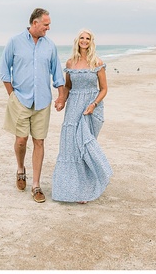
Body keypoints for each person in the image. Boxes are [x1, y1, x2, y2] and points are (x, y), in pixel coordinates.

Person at [0, 8, 66, 203]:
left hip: (43, 102)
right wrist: (12, 96)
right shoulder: (15, 42)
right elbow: (4, 69)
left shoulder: (50, 46)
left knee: (39, 142)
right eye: (46, 24)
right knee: (21, 141)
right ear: (35, 23)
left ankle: (36, 185)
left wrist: (61, 96)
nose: (48, 28)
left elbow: (57, 73)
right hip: (21, 100)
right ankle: (20, 169)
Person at [52, 28, 113, 204]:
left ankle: (88, 186)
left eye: (87, 38)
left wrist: (93, 105)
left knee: (84, 145)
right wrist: (61, 100)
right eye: (81, 38)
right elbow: (68, 87)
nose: (84, 41)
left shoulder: (97, 62)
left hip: (91, 107)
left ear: (91, 41)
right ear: (77, 41)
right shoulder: (70, 63)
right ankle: (71, 188)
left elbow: (104, 89)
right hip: (73, 107)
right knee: (70, 146)